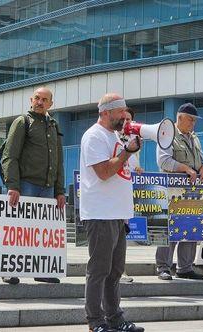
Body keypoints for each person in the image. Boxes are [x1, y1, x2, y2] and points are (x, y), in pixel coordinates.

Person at [80, 93, 144, 332]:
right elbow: (104, 172)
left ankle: (115, 318)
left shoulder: (116, 135)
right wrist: (127, 152)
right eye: (120, 113)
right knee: (99, 270)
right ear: (106, 112)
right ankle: (95, 321)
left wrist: (129, 149)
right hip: (100, 213)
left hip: (117, 213)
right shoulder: (94, 136)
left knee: (115, 270)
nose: (124, 118)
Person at [1, 87, 65, 285]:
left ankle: (42, 270)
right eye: (37, 98)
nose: (40, 102)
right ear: (31, 99)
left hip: (47, 188)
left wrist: (60, 191)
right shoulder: (22, 122)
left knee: (42, 231)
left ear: (50, 104)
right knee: (17, 229)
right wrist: (13, 185)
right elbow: (10, 155)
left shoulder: (53, 125)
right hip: (25, 185)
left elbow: (59, 161)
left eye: (44, 99)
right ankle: (8, 269)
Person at [155, 103, 203, 281]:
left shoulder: (194, 137)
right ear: (180, 118)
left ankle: (185, 267)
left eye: (194, 120)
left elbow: (199, 159)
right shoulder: (167, 135)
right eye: (190, 119)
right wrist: (186, 168)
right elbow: (164, 162)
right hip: (171, 191)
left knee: (191, 227)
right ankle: (163, 266)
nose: (193, 123)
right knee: (170, 229)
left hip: (192, 192)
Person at [117, 108, 143, 284]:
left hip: (126, 192)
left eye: (130, 120)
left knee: (122, 234)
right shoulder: (112, 137)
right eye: (124, 119)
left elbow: (132, 165)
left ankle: (121, 269)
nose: (127, 122)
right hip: (113, 193)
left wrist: (138, 169)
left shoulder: (134, 141)